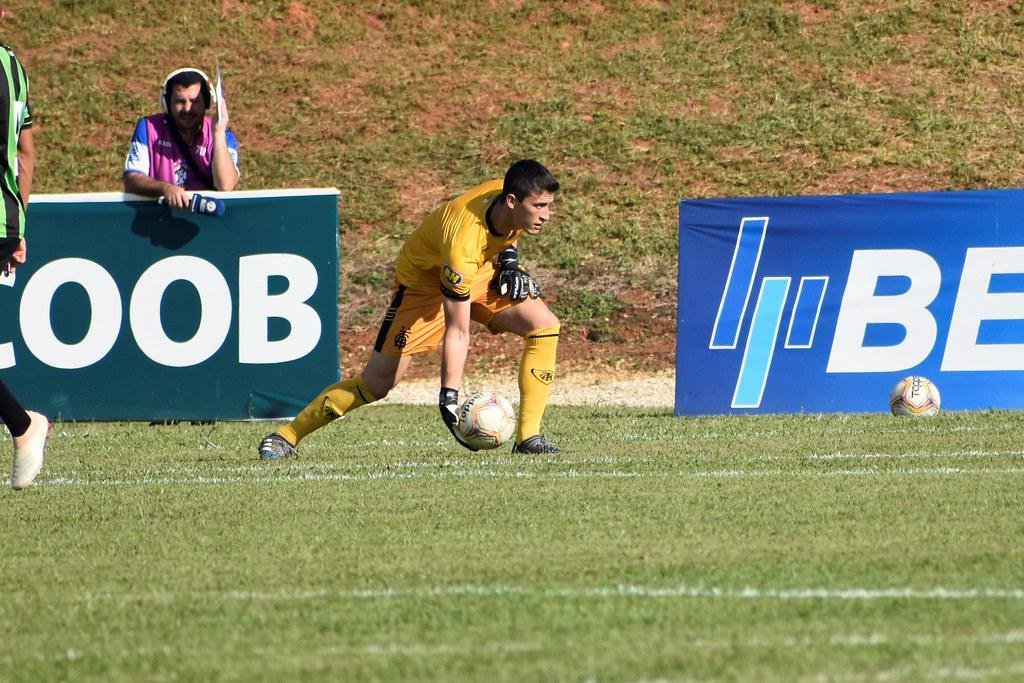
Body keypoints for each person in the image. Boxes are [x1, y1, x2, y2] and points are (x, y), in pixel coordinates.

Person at [259, 159, 563, 458]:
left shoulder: (506, 196)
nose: (546, 214)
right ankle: (286, 436)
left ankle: (528, 438)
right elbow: (458, 330)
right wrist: (449, 396)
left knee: (544, 326)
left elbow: (504, 233)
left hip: (479, 271)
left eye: (548, 205)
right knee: (377, 384)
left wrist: (509, 263)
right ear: (512, 201)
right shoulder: (463, 246)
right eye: (540, 206)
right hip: (423, 287)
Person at [0, 32, 50, 489]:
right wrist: (18, 222)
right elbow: (25, 150)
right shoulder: (12, 64)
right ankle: (21, 426)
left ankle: (22, 425)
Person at [123, 67, 239, 209]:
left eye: (195, 101)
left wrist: (218, 133)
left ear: (207, 103)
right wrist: (165, 189)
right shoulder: (148, 128)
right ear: (167, 104)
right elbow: (131, 180)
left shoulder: (223, 136)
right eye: (180, 101)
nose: (187, 108)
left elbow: (225, 186)